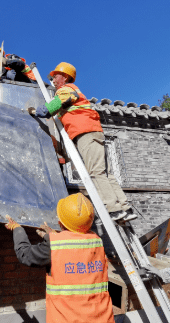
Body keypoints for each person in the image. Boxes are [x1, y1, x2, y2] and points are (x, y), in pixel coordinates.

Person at [5, 193, 119, 323]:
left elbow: (25, 255)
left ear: (60, 221)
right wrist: (52, 234)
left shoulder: (54, 245)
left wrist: (18, 230)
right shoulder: (96, 241)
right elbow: (73, 246)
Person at [29, 62, 136, 222]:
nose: (53, 79)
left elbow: (53, 106)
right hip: (94, 132)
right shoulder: (73, 91)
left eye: (55, 76)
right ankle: (124, 207)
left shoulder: (66, 90)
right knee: (105, 173)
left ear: (64, 77)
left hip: (85, 133)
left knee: (95, 172)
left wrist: (37, 111)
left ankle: (113, 210)